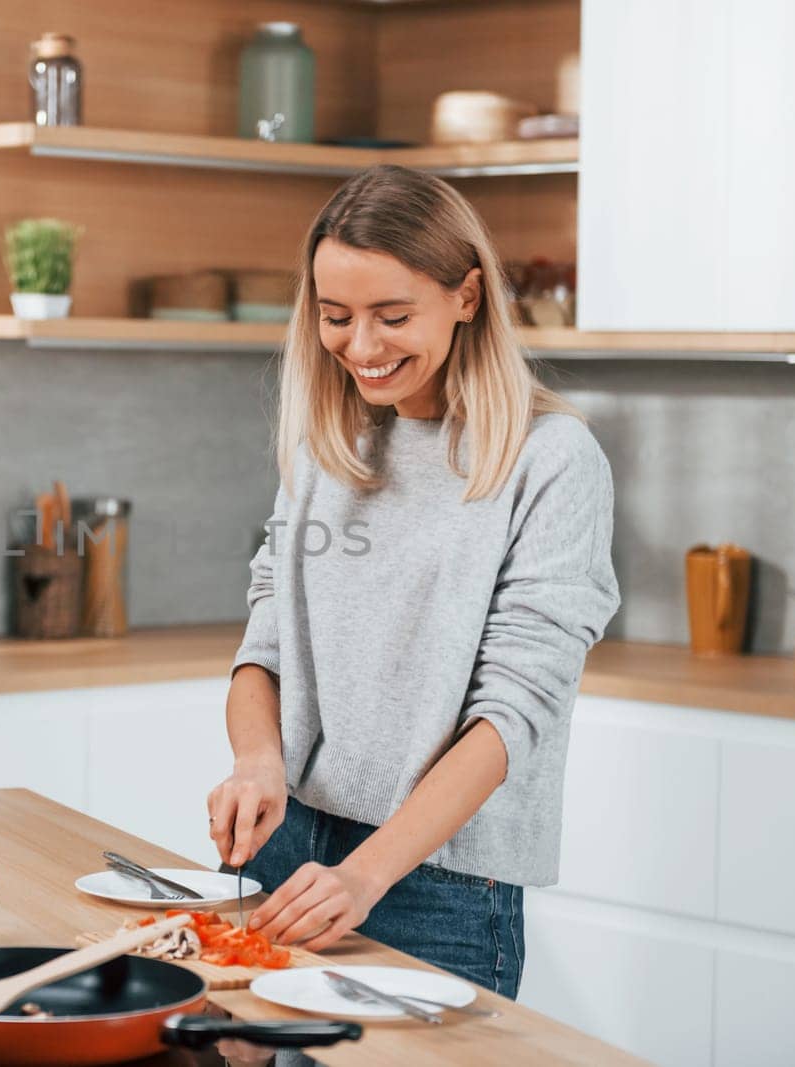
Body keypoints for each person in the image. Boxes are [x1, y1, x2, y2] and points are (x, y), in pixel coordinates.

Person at [206, 165, 619, 997]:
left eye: (393, 316)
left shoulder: (552, 463)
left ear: (467, 296)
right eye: (336, 317)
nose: (361, 346)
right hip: (289, 854)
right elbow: (266, 647)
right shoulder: (333, 448)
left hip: (442, 888)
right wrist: (259, 760)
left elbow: (512, 715)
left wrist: (367, 874)